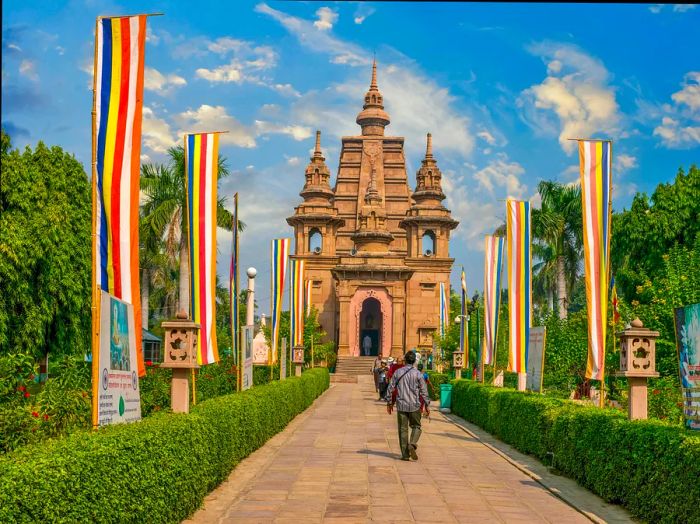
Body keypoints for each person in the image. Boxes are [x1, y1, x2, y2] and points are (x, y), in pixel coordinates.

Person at [385, 351, 430, 461]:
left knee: (402, 429)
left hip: (401, 405)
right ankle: (413, 443)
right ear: (414, 360)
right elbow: (424, 391)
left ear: (405, 360)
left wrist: (389, 403)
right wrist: (427, 406)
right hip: (415, 405)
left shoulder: (398, 372)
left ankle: (405, 455)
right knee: (416, 426)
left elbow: (390, 388)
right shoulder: (418, 374)